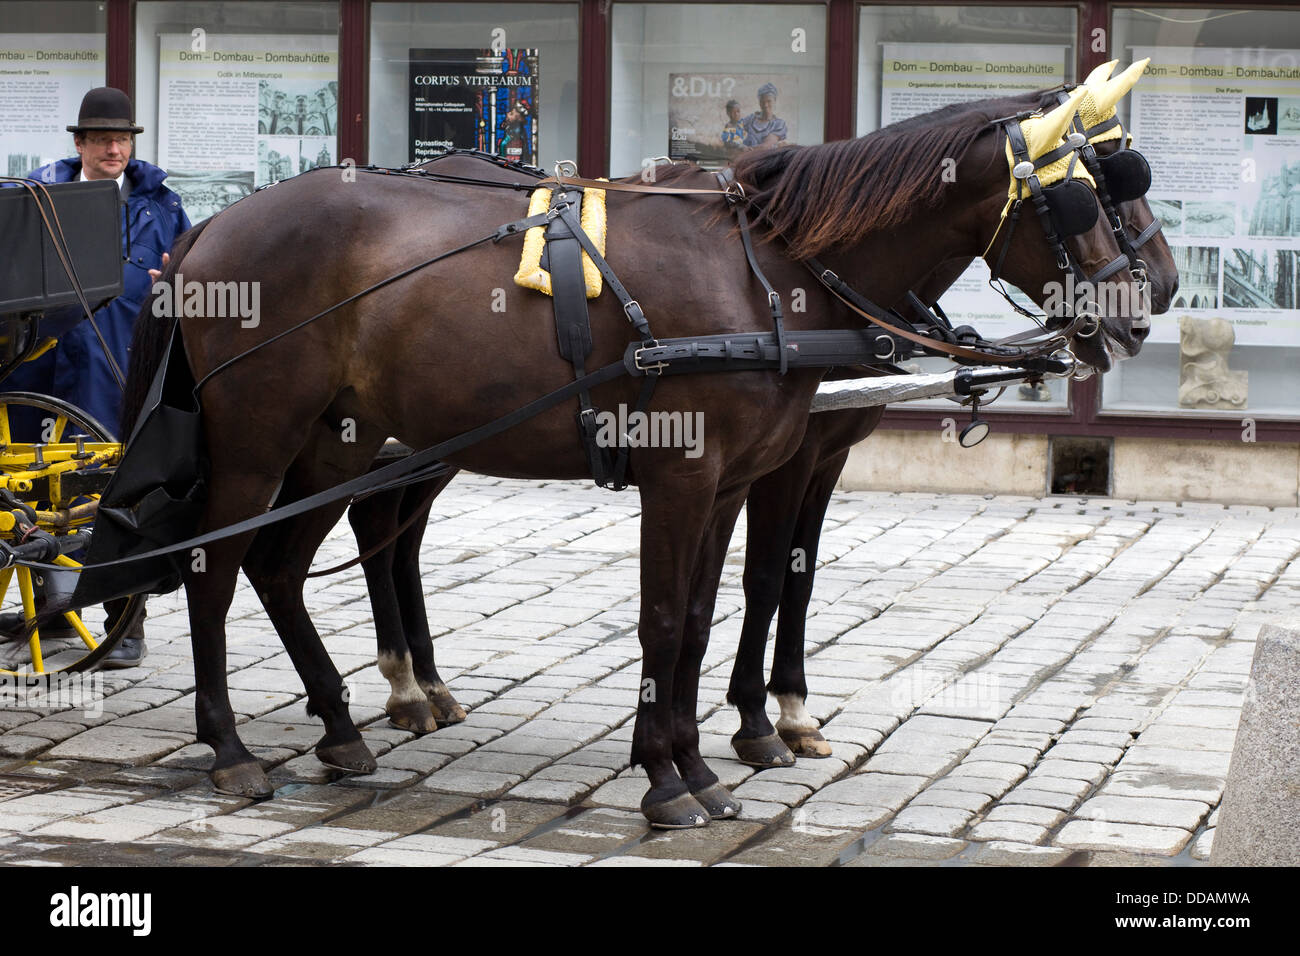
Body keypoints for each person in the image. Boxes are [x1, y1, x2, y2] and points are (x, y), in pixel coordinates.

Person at [4, 87, 191, 668]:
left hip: (123, 367)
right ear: (80, 144)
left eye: (123, 139)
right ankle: (57, 611)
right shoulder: (36, 196)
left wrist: (174, 284)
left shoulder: (161, 206)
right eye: (103, 139)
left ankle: (124, 620)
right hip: (44, 369)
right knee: (36, 493)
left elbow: (189, 279)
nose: (114, 148)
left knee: (114, 495)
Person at [741, 82, 788, 148]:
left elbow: (766, 146)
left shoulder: (778, 124)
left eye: (769, 101)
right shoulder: (750, 119)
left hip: (765, 157)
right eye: (762, 102)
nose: (765, 105)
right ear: (759, 102)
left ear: (775, 101)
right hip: (745, 156)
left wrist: (746, 150)